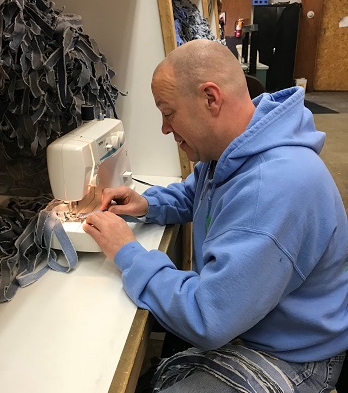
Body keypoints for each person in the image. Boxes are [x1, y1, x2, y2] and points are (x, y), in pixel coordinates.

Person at [83, 39, 348, 392]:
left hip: (293, 353)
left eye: (168, 112)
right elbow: (197, 192)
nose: (165, 128)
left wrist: (126, 252)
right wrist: (147, 204)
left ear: (211, 98)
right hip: (250, 320)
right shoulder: (233, 146)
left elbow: (208, 317)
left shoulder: (273, 187)